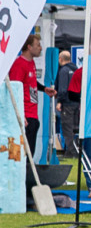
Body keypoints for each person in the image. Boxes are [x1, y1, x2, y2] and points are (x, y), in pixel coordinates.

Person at [9, 32, 57, 187]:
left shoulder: (31, 63)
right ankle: (18, 184)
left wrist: (44, 89)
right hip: (25, 116)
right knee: (22, 153)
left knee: (30, 152)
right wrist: (20, 115)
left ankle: (25, 183)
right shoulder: (19, 64)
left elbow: (30, 83)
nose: (40, 48)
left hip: (33, 114)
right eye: (38, 45)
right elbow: (14, 89)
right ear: (29, 47)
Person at [54, 49, 78, 156]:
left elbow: (63, 88)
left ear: (61, 59)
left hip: (67, 103)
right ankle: (75, 150)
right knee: (75, 128)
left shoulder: (63, 71)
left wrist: (59, 101)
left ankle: (72, 152)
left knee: (67, 128)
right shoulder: (76, 69)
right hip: (77, 103)